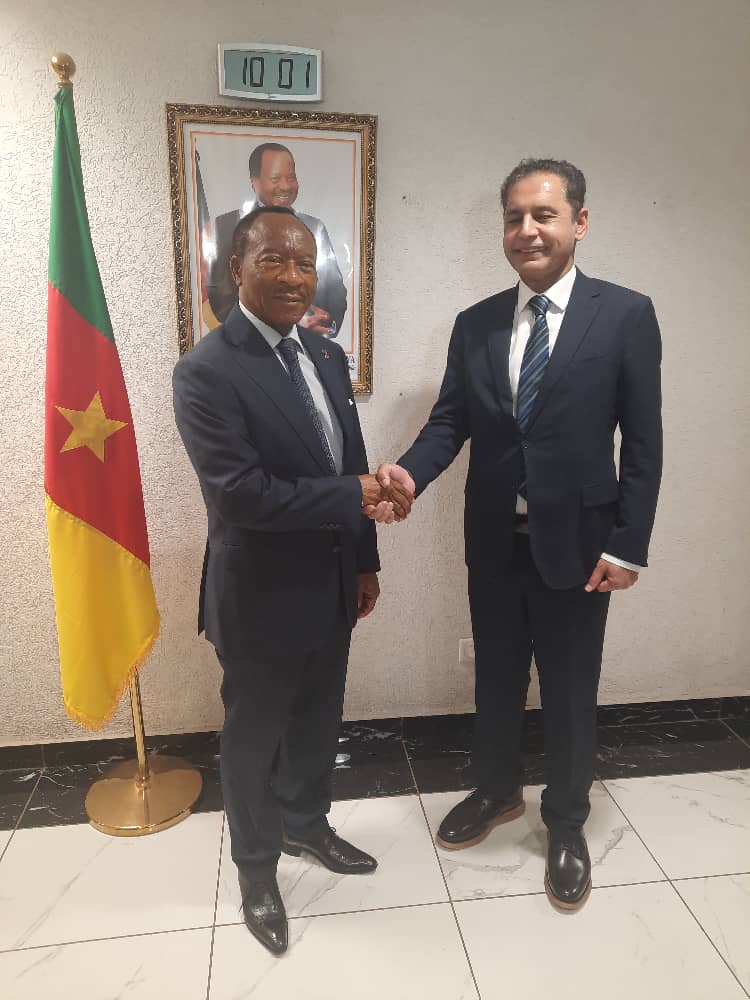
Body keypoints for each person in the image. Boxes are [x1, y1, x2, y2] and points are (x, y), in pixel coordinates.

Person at [372, 159, 662, 912]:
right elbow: (450, 422)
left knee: (569, 686)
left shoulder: (625, 315)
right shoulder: (476, 324)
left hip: (583, 547)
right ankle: (497, 789)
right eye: (514, 218)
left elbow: (644, 443)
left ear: (579, 223)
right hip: (495, 541)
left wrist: (627, 545)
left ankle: (565, 822)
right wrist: (408, 474)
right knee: (496, 674)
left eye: (544, 215)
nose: (527, 230)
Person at [173, 206, 411, 955]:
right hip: (260, 596)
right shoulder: (206, 370)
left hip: (333, 584)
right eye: (273, 259)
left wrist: (365, 560)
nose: (292, 276)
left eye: (305, 263)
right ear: (236, 268)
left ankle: (308, 826)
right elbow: (241, 496)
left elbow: (351, 463)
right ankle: (255, 871)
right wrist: (354, 493)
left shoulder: (326, 355)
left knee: (317, 721)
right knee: (254, 740)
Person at [207, 142, 347, 337]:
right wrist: (290, 324)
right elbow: (219, 295)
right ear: (254, 181)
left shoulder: (314, 226)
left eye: (291, 178)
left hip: (306, 343)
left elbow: (335, 293)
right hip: (248, 345)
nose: (285, 186)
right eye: (275, 178)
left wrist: (327, 324)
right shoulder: (226, 226)